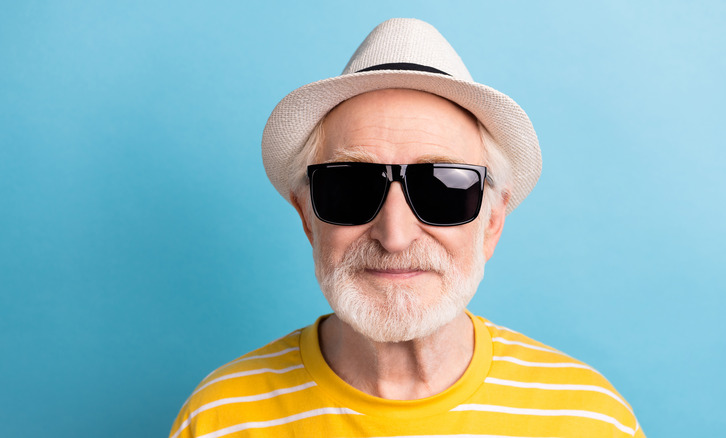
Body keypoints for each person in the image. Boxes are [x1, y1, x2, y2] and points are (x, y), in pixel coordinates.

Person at [169, 18, 644, 438]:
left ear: (493, 222)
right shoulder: (220, 420)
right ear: (308, 219)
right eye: (351, 187)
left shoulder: (588, 419)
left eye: (443, 188)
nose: (394, 236)